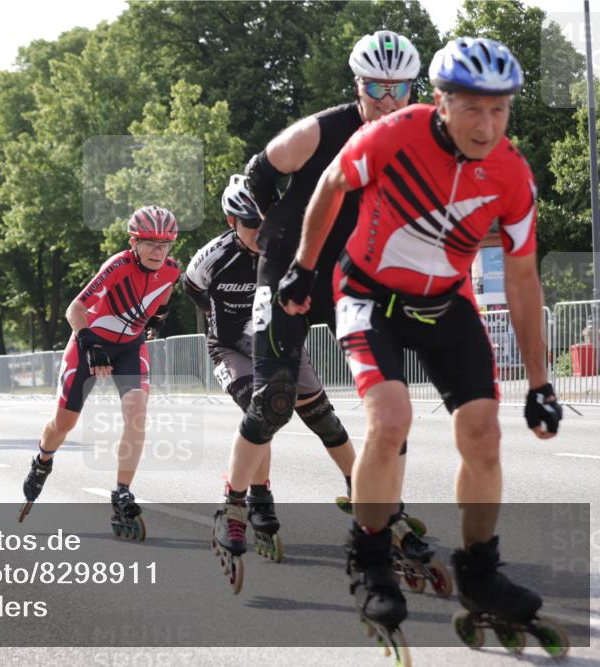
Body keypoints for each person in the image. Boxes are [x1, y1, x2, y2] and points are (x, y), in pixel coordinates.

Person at [278, 37, 565, 652]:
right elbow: (329, 185)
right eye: (472, 109)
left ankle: (480, 575)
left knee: (484, 434)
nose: (487, 126)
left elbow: (521, 279)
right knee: (391, 419)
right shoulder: (392, 136)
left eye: (500, 110)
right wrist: (303, 266)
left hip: (445, 304)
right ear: (440, 101)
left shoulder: (511, 172)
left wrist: (541, 383)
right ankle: (372, 559)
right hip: (367, 295)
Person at [215, 31, 426, 581]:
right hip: (290, 271)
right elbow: (257, 176)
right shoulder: (319, 131)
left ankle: (383, 512)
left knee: (389, 404)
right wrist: (277, 240)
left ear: (411, 87)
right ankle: (234, 504)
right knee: (274, 401)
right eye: (375, 86)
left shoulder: (420, 135)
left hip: (354, 277)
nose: (387, 97)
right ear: (358, 84)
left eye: (398, 86)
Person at [185, 175, 359, 572]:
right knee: (265, 411)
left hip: (279, 342)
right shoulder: (210, 260)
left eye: (265, 222)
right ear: (232, 223)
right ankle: (255, 500)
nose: (260, 233)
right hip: (233, 349)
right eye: (251, 226)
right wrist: (225, 325)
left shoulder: (288, 247)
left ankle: (360, 486)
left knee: (325, 420)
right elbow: (193, 291)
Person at [17, 205, 181, 540]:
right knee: (64, 424)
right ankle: (43, 459)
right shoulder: (118, 265)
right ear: (133, 242)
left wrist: (157, 318)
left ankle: (122, 491)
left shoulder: (172, 271)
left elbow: (164, 295)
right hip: (89, 343)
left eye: (165, 244)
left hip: (130, 348)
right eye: (150, 242)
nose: (157, 250)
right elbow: (74, 308)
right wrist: (91, 345)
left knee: (136, 413)